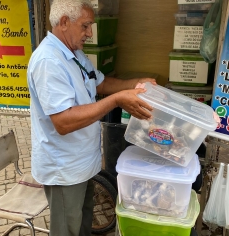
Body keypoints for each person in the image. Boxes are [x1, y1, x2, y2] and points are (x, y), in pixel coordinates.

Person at [26, 0, 156, 235]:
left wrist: (136, 84)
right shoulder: (48, 62)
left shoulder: (74, 54)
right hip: (64, 168)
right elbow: (63, 122)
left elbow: (101, 83)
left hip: (82, 164)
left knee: (83, 223)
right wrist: (118, 100)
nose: (90, 33)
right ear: (64, 22)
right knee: (67, 229)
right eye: (85, 26)